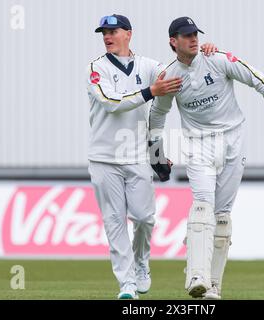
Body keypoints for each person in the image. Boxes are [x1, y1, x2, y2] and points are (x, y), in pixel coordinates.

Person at [148, 17, 264, 299]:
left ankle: (214, 286)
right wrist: (155, 150)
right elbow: (158, 113)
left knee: (221, 217)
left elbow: (256, 78)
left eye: (195, 34)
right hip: (199, 145)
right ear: (173, 41)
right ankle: (197, 274)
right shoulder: (169, 76)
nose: (193, 39)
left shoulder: (217, 59)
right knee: (202, 205)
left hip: (234, 139)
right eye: (186, 35)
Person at [86, 14, 217, 299]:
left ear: (128, 34)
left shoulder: (148, 67)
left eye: (113, 31)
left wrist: (205, 53)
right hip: (103, 158)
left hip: (136, 157)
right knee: (114, 222)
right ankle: (127, 284)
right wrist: (150, 92)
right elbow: (110, 104)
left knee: (145, 219)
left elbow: (178, 72)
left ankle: (141, 262)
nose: (107, 37)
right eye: (104, 33)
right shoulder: (96, 68)